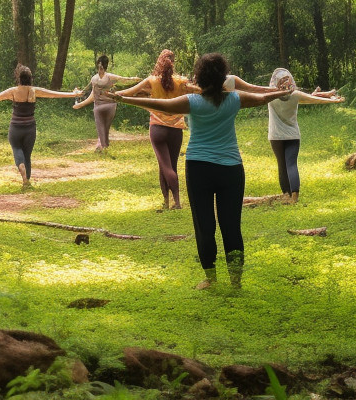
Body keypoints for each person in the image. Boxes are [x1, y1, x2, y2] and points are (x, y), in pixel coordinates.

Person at [114, 53, 289, 289]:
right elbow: (260, 98)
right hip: (231, 170)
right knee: (231, 226)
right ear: (222, 78)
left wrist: (124, 98)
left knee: (204, 225)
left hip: (199, 169)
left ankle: (211, 279)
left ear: (200, 76)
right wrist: (282, 92)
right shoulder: (234, 100)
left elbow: (158, 105)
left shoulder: (192, 102)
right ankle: (235, 281)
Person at [109, 50, 200, 210]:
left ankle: (173, 202)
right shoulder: (182, 81)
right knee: (171, 165)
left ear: (159, 62)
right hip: (175, 130)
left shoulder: (151, 80)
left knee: (164, 166)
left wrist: (113, 95)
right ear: (173, 63)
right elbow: (198, 91)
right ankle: (172, 202)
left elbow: (129, 92)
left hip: (157, 129)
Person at [0, 65, 79, 187]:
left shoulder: (13, 91)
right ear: (30, 78)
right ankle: (26, 181)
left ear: (19, 78)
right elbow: (55, 94)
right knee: (27, 155)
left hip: (15, 128)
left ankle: (21, 168)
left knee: (16, 149)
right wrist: (73, 94)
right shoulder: (34, 91)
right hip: (30, 128)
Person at [260, 68, 344, 204]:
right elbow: (312, 99)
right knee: (291, 165)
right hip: (293, 136)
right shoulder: (296, 95)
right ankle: (294, 197)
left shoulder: (271, 96)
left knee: (282, 166)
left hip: (275, 137)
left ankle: (286, 195)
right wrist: (332, 99)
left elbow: (253, 94)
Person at [72, 55, 141, 151]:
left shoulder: (94, 79)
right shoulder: (111, 77)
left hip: (99, 105)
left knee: (100, 126)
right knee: (105, 126)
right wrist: (134, 79)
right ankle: (102, 145)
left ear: (97, 65)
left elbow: (89, 94)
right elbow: (124, 80)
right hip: (110, 105)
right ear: (107, 65)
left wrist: (80, 102)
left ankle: (100, 145)